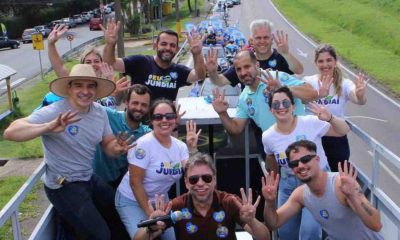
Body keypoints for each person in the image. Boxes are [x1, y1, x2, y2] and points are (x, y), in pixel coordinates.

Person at [3, 64, 133, 240]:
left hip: (88, 177)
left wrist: (117, 149)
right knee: (100, 235)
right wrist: (48, 127)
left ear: (96, 90)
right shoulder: (55, 111)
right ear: (69, 88)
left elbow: (108, 143)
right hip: (63, 185)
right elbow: (11, 132)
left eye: (90, 86)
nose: (85, 91)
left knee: (120, 210)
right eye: (79, 85)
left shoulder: (99, 112)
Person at [261, 86, 350, 240]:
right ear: (270, 110)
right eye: (276, 105)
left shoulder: (310, 123)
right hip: (289, 183)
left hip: (315, 183)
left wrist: (330, 118)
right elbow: (271, 158)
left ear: (293, 106)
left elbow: (343, 130)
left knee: (309, 233)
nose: (281, 107)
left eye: (286, 103)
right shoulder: (268, 136)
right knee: (286, 233)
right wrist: (275, 180)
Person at [262, 140, 383, 240]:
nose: (300, 166)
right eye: (294, 163)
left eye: (305, 159)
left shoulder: (340, 184)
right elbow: (274, 223)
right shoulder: (300, 195)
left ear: (317, 159)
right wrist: (269, 202)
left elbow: (376, 224)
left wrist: (354, 196)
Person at [115, 100, 201, 239]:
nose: (164, 120)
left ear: (175, 119)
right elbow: (135, 183)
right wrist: (151, 216)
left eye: (169, 116)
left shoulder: (180, 146)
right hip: (131, 199)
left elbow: (192, 171)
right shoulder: (143, 144)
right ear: (152, 120)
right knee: (143, 237)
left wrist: (192, 149)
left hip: (160, 199)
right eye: (158, 117)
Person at [135, 153, 270, 240]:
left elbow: (265, 238)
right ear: (186, 183)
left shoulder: (230, 202)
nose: (200, 183)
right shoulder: (176, 206)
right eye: (194, 179)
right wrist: (151, 225)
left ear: (215, 180)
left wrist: (252, 221)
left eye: (206, 178)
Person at [211, 50, 315, 137]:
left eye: (247, 67)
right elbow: (236, 129)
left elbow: (312, 94)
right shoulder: (244, 98)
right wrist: (222, 113)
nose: (243, 73)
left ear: (257, 65)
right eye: (238, 69)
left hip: (302, 143)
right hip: (277, 151)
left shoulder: (277, 77)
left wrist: (283, 88)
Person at [102, 19, 207, 101]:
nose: (168, 48)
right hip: (137, 123)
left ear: (177, 49)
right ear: (155, 46)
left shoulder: (179, 71)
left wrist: (197, 54)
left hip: (163, 123)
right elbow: (110, 63)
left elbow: (200, 75)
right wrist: (110, 44)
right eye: (164, 44)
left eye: (172, 45)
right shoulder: (140, 62)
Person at [303, 44, 368, 171]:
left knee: (338, 179)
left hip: (336, 138)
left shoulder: (344, 83)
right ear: (316, 63)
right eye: (320, 61)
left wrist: (360, 94)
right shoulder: (308, 82)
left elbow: (358, 99)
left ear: (335, 61)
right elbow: (301, 100)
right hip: (314, 139)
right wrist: (318, 95)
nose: (325, 64)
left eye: (329, 60)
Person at [40, 24, 128, 109]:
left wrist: (111, 88)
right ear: (81, 65)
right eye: (88, 62)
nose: (93, 64)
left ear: (102, 64)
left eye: (96, 61)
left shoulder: (108, 84)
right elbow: (59, 67)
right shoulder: (73, 84)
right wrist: (51, 45)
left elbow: (116, 106)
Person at [93, 84, 152, 189]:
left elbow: (165, 140)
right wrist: (106, 92)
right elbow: (87, 104)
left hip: (117, 183)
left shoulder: (146, 133)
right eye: (135, 103)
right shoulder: (109, 115)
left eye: (144, 105)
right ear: (126, 102)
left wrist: (173, 125)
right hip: (91, 178)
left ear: (148, 108)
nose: (139, 108)